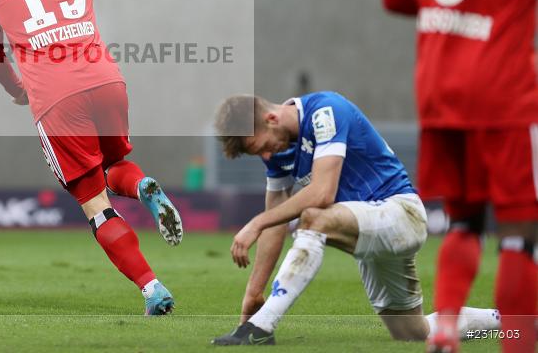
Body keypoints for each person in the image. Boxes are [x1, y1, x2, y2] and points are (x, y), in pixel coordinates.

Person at [0, 0, 182, 315]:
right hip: (105, 79)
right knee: (115, 168)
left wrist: (16, 89)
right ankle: (142, 184)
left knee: (96, 204)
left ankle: (152, 287)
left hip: (55, 96)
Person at [382, 0, 538, 353]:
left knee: (465, 220)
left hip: (440, 89)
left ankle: (445, 329)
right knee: (522, 236)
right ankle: (521, 342)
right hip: (505, 92)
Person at [210, 92, 500, 346]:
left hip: (401, 214)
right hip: (367, 229)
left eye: (262, 146)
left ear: (272, 118)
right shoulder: (277, 152)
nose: (264, 155)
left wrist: (255, 222)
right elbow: (275, 222)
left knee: (313, 217)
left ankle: (263, 328)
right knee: (411, 331)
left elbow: (323, 192)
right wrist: (253, 292)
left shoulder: (325, 111)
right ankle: (509, 325)